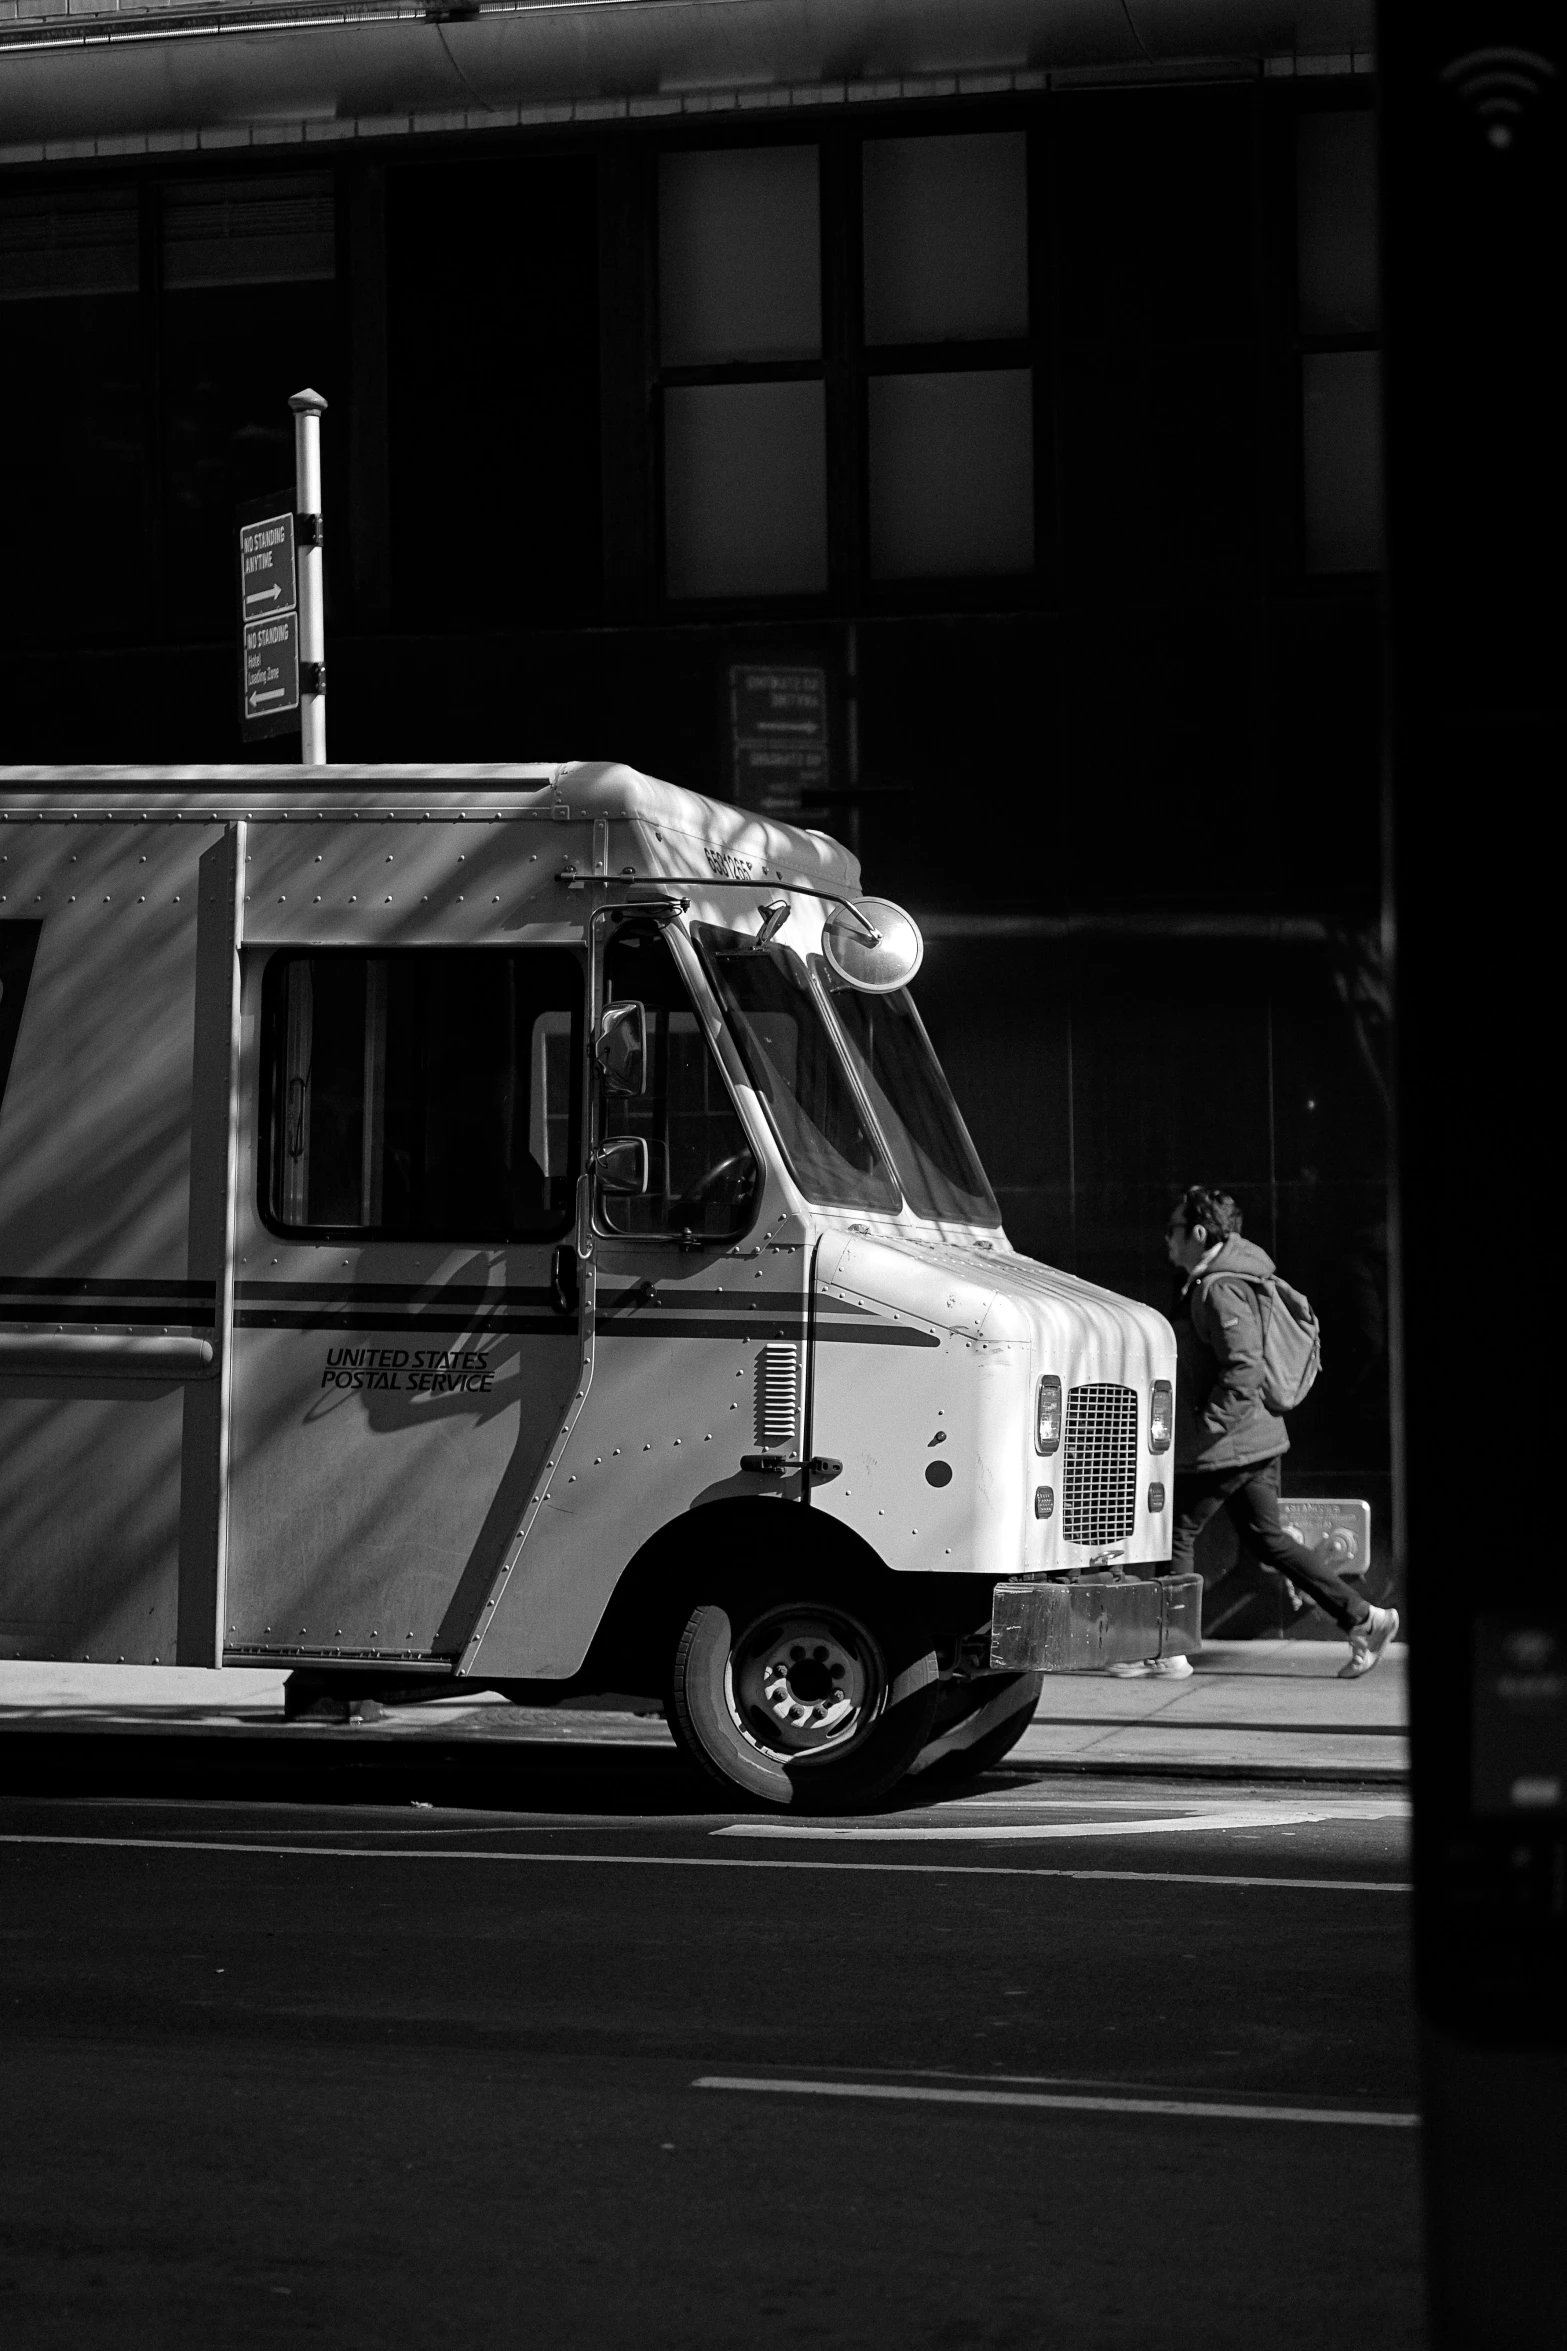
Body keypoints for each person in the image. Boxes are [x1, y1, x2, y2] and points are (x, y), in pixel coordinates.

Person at [1110, 1184, 1398, 1681]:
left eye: (1173, 1230)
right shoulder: (1217, 1280)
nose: (1167, 1241)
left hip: (1231, 1442)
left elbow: (1242, 1368)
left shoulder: (1220, 1287)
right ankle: (1365, 1619)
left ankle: (1169, 1650)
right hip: (1255, 1438)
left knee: (1176, 1531)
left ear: (1199, 1233)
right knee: (1268, 1540)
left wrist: (1203, 1432)